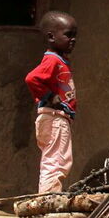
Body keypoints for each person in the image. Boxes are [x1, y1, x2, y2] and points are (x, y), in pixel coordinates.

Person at [25, 11, 78, 193]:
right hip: (55, 118)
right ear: (51, 37)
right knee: (56, 163)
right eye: (68, 35)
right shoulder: (53, 60)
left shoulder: (58, 60)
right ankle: (46, 200)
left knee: (55, 160)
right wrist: (50, 96)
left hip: (56, 118)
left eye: (74, 36)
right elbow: (32, 78)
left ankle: (47, 198)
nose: (73, 40)